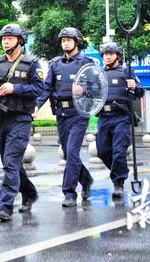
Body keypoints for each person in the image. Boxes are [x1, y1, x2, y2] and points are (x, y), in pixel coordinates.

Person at [0, 24, 45, 221]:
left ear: (20, 41)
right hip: (1, 120)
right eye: (3, 37)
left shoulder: (31, 64)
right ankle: (30, 192)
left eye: (10, 37)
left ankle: (4, 206)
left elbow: (39, 89)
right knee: (10, 162)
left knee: (11, 163)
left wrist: (15, 89)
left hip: (21, 119)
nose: (5, 40)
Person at [36, 27, 95, 207]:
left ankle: (69, 193)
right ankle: (86, 180)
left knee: (71, 151)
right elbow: (46, 88)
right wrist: (36, 106)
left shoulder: (87, 63)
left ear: (77, 42)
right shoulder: (55, 64)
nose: (65, 43)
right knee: (69, 154)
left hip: (79, 114)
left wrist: (84, 89)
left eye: (69, 40)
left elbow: (97, 89)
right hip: (61, 114)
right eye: (63, 40)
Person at [97, 42, 144, 199]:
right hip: (104, 117)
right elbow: (92, 94)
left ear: (117, 55)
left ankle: (118, 183)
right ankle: (119, 171)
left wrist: (133, 86)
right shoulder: (98, 73)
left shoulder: (126, 71)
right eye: (105, 54)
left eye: (111, 53)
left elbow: (140, 92)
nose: (108, 56)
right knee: (102, 151)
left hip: (121, 117)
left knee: (119, 151)